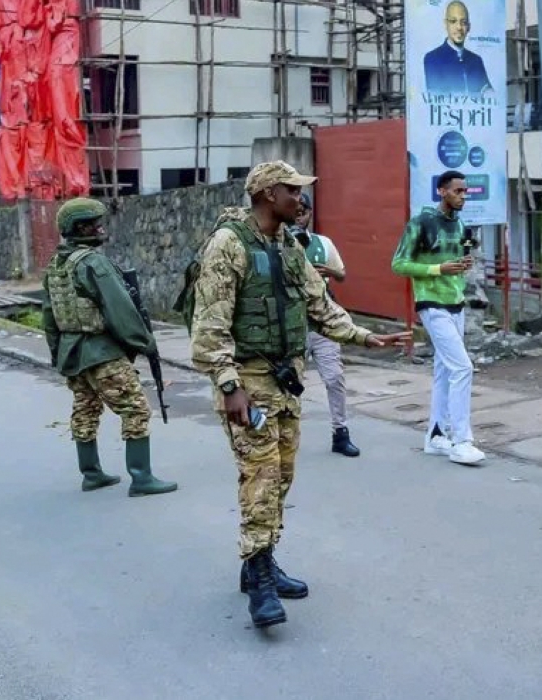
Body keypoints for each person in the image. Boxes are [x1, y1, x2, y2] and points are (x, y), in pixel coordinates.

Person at [188, 161, 409, 629]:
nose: (301, 200)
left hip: (285, 381)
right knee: (261, 478)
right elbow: (208, 326)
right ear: (269, 194)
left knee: (282, 475)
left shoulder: (287, 244)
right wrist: (229, 387)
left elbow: (320, 306)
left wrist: (367, 338)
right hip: (247, 383)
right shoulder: (229, 245)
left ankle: (260, 564)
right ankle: (261, 582)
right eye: (292, 191)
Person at [41, 198, 178, 498]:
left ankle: (91, 474)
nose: (100, 226)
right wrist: (145, 343)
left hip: (73, 353)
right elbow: (121, 309)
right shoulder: (93, 262)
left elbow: (49, 316)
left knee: (85, 409)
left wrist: (57, 354)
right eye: (93, 222)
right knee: (136, 409)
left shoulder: (56, 265)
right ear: (78, 228)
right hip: (100, 351)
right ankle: (141, 478)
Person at [392, 170, 486, 467]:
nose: (462, 196)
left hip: (455, 302)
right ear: (442, 191)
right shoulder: (421, 223)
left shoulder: (458, 225)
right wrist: (437, 270)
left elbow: (455, 261)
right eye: (458, 191)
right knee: (463, 368)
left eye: (465, 191)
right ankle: (461, 440)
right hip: (432, 303)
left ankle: (435, 436)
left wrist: (463, 264)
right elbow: (398, 264)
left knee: (445, 371)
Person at [291, 193, 360, 458]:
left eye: (304, 210)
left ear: (310, 213)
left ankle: (340, 432)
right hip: (291, 323)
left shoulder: (322, 243)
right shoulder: (275, 243)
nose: (299, 215)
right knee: (290, 382)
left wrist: (327, 272)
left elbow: (341, 274)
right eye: (296, 210)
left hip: (321, 321)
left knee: (334, 377)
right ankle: (286, 434)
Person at [423, 1, 492, 95]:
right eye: (453, 21)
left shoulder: (476, 60)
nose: (459, 27)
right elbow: (438, 98)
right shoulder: (432, 59)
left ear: (469, 27)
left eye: (463, 22)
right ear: (445, 24)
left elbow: (489, 95)